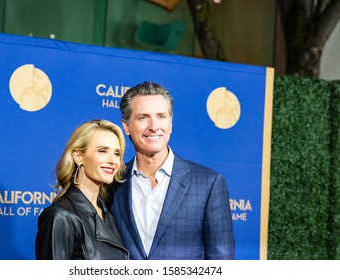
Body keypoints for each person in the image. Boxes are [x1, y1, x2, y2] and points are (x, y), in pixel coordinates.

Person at [110, 81, 235, 260]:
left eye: (161, 116)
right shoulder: (113, 182)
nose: (154, 126)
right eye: (143, 117)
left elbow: (222, 262)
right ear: (126, 126)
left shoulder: (208, 184)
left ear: (171, 124)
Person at [35, 119, 129, 260]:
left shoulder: (107, 213)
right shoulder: (61, 216)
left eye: (117, 153)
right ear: (78, 156)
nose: (113, 160)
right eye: (102, 151)